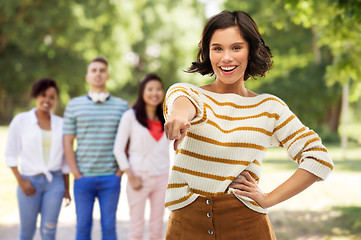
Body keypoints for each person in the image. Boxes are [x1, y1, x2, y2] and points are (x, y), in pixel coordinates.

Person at [163, 10, 334, 240]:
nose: (226, 57)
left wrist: (268, 198)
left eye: (236, 47)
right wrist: (179, 118)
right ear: (207, 52)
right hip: (186, 227)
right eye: (217, 48)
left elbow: (318, 158)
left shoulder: (269, 108)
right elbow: (183, 105)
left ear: (251, 50)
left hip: (247, 227)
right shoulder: (188, 93)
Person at [63, 56, 129, 240]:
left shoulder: (121, 106)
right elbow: (67, 142)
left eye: (102, 70)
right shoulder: (74, 106)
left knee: (109, 228)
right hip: (83, 178)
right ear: (87, 76)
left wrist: (119, 171)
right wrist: (75, 173)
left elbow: (128, 142)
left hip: (111, 178)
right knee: (82, 228)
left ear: (107, 75)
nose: (98, 74)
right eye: (94, 70)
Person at [5, 78, 71, 240]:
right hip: (29, 181)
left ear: (56, 100)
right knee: (27, 233)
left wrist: (66, 188)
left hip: (54, 183)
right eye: (43, 95)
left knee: (49, 232)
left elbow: (64, 160)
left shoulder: (62, 124)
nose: (47, 100)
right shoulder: (21, 121)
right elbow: (11, 154)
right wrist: (21, 181)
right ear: (36, 96)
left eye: (52, 97)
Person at [113, 73, 170, 240]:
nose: (155, 93)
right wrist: (131, 177)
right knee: (137, 229)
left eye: (158, 89)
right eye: (150, 89)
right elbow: (118, 149)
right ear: (142, 92)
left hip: (161, 178)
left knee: (157, 228)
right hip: (138, 177)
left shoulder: (166, 117)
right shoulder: (130, 117)